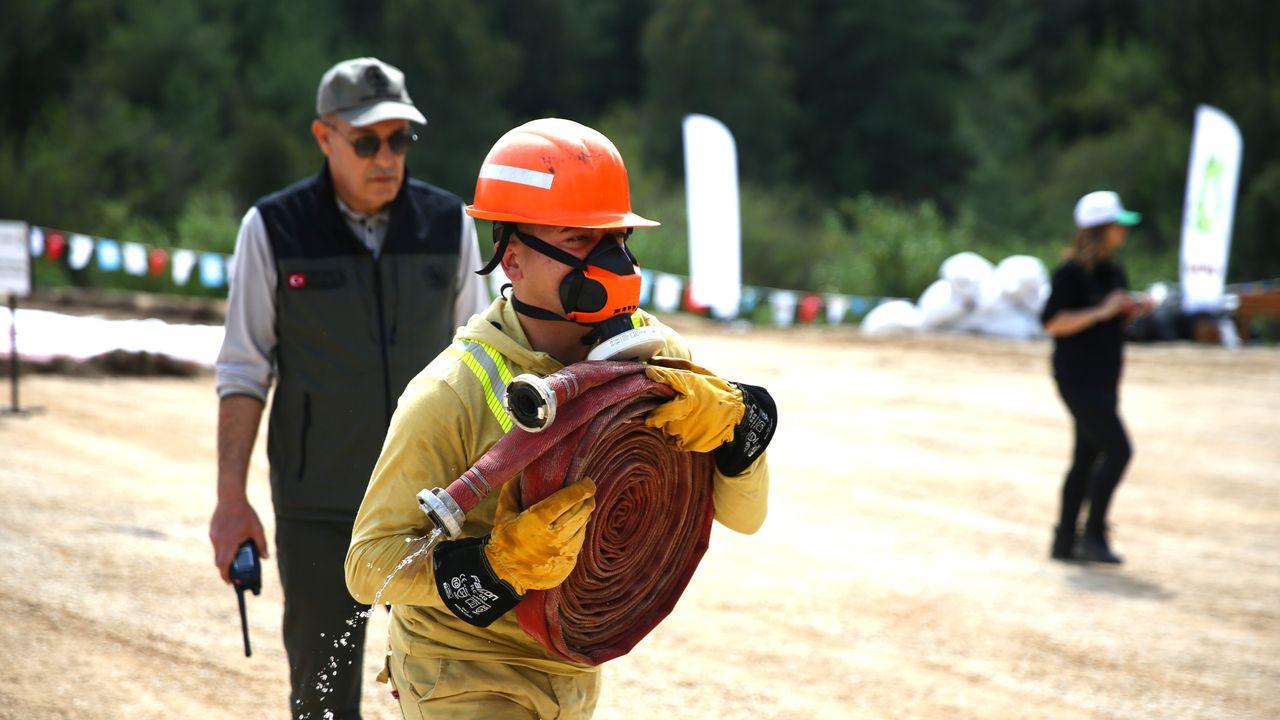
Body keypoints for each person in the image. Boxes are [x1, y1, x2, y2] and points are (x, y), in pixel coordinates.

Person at [345, 118, 776, 719]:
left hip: (570, 669)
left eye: (617, 238)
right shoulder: (453, 391)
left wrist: (737, 434)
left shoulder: (657, 359)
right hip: (461, 672)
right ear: (513, 260)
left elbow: (746, 518)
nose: (612, 261)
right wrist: (492, 565)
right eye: (579, 239)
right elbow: (368, 567)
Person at [209, 57, 490, 719]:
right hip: (319, 511)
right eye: (367, 142)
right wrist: (230, 501)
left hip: (436, 509)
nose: (386, 157)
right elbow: (244, 370)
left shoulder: (450, 224)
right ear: (324, 136)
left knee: (456, 695)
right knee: (324, 699)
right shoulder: (272, 229)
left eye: (399, 139)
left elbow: (480, 364)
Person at [1041, 190, 1153, 564]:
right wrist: (1102, 310)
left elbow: (1108, 324)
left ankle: (1064, 541)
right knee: (1119, 450)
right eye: (1118, 225)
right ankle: (1093, 534)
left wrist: (1131, 311)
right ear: (1100, 229)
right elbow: (1054, 322)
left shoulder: (1113, 271)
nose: (1124, 231)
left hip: (1105, 376)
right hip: (1076, 378)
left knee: (1086, 457)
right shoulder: (1070, 273)